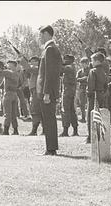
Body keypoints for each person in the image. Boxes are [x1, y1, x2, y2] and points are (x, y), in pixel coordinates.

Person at [36, 25, 62, 155]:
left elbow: (50, 74)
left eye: (40, 34)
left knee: (49, 119)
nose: (39, 37)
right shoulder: (51, 49)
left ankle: (51, 149)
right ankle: (50, 148)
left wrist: (46, 93)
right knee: (48, 119)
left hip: (47, 92)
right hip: (48, 91)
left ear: (46, 33)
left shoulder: (50, 49)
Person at [85, 52, 108, 144]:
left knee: (91, 116)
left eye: (92, 60)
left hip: (93, 95)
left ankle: (91, 137)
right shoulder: (104, 72)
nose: (91, 62)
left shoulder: (93, 71)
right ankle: (99, 135)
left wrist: (89, 93)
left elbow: (90, 86)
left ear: (97, 61)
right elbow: (106, 85)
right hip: (101, 94)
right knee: (99, 116)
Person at [19, 56, 44, 136]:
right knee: (37, 110)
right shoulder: (34, 69)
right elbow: (26, 74)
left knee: (35, 110)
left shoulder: (39, 68)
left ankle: (35, 130)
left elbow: (29, 69)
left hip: (37, 91)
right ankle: (42, 130)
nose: (32, 63)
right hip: (34, 91)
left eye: (34, 61)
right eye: (31, 61)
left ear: (38, 62)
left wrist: (23, 60)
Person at [0, 59, 19, 135]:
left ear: (12, 65)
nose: (7, 65)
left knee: (7, 113)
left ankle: (6, 130)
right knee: (14, 114)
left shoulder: (8, 72)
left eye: (9, 64)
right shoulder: (17, 73)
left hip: (8, 94)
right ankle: (15, 130)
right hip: (15, 94)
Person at [59, 54, 78, 137]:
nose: (64, 61)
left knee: (66, 110)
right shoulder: (71, 67)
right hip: (70, 90)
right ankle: (75, 129)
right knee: (71, 111)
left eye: (65, 59)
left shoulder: (69, 67)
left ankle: (65, 130)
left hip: (68, 91)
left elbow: (60, 69)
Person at [76, 57, 90, 122]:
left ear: (87, 63)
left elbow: (89, 78)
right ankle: (83, 117)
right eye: (82, 63)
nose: (83, 65)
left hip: (89, 88)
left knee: (90, 104)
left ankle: (89, 118)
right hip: (81, 88)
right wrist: (83, 78)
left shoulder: (90, 70)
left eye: (84, 63)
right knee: (82, 104)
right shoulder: (80, 71)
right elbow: (76, 79)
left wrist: (84, 78)